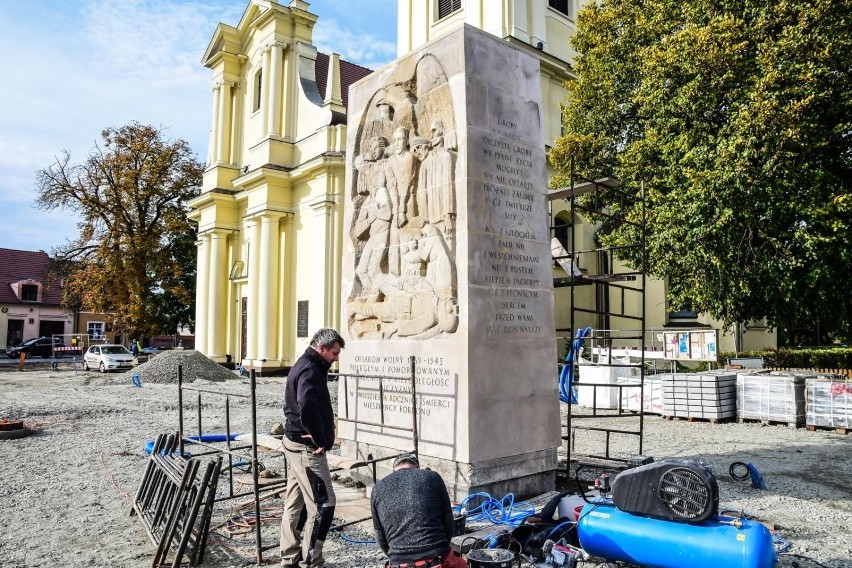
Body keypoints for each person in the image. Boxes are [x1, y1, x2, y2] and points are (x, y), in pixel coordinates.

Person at [280, 328, 345, 568]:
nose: (336, 358)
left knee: (294, 503)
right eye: (334, 353)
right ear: (322, 348)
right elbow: (306, 406)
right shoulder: (310, 368)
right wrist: (320, 439)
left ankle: (289, 557)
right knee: (324, 503)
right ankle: (312, 560)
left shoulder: (307, 364)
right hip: (307, 449)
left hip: (294, 443)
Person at [371, 454, 467, 568]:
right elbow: (449, 522)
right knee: (462, 563)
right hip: (437, 559)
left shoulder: (377, 489)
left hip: (399, 563)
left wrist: (398, 556)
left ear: (393, 471)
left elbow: (380, 537)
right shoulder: (432, 477)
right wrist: (441, 547)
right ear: (417, 468)